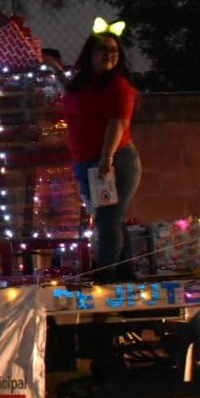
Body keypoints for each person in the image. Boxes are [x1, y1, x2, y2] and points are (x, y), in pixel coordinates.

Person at [62, 18, 141, 281]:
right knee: (112, 218)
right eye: (103, 49)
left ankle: (104, 273)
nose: (109, 55)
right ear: (89, 53)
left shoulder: (118, 86)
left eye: (114, 51)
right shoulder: (80, 84)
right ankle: (125, 272)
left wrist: (106, 159)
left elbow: (117, 123)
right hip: (87, 162)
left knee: (107, 219)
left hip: (112, 161)